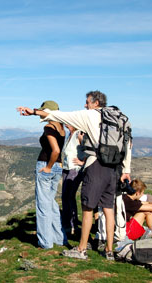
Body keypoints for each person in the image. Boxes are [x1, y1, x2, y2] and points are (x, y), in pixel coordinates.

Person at [17, 90, 132, 260]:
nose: (85, 105)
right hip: (113, 168)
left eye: (87, 102)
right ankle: (109, 250)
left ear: (96, 103)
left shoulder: (90, 115)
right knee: (109, 209)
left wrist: (33, 111)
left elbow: (61, 115)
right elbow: (128, 143)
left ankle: (81, 249)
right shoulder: (120, 118)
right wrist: (126, 170)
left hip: (96, 165)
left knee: (87, 208)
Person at [23, 100, 67, 249]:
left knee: (42, 205)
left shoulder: (48, 127)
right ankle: (59, 239)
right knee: (52, 204)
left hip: (46, 166)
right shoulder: (62, 129)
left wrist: (48, 167)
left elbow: (55, 150)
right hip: (58, 168)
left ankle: (45, 242)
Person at [61, 125, 85, 234]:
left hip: (75, 169)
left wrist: (83, 162)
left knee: (69, 196)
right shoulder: (69, 135)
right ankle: (68, 223)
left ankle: (72, 224)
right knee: (65, 196)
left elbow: (88, 147)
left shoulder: (78, 134)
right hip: (67, 168)